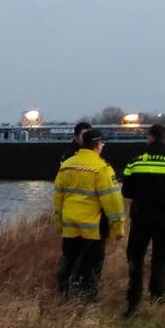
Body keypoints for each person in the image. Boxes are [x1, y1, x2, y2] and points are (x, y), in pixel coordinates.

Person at [121, 123, 165, 315]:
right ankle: (157, 297)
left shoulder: (136, 160)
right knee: (162, 259)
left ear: (149, 137)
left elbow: (126, 190)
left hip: (141, 217)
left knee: (135, 258)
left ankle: (133, 300)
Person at [53, 129, 126, 301]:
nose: (102, 147)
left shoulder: (67, 165)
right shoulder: (102, 168)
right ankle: (86, 300)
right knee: (91, 265)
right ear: (97, 145)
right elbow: (112, 201)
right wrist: (118, 227)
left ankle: (63, 295)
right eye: (102, 144)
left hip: (70, 225)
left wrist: (59, 222)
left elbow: (58, 197)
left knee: (69, 260)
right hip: (93, 227)